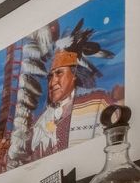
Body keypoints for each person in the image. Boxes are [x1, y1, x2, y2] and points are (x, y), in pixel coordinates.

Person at [28, 22, 116, 159]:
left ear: (74, 74)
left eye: (59, 73)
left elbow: (113, 144)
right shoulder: (41, 123)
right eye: (50, 76)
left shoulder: (99, 101)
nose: (52, 82)